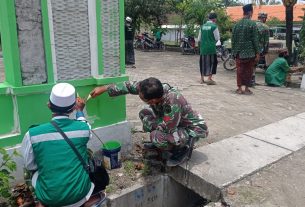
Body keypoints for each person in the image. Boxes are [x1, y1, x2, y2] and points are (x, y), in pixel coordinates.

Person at [21, 83, 108, 207]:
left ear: (49, 105)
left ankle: (38, 201)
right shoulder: (83, 130)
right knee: (86, 153)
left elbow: (31, 165)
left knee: (28, 169)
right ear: (73, 107)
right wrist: (80, 111)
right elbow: (83, 123)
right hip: (80, 195)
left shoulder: (32, 134)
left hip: (49, 199)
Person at [90, 77, 208, 166]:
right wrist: (104, 88)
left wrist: (152, 128)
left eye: (143, 98)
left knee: (156, 136)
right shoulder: (150, 88)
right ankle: (165, 144)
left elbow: (168, 128)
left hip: (191, 130)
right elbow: (128, 86)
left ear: (153, 101)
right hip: (173, 123)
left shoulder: (173, 102)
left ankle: (182, 149)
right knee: (144, 113)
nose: (139, 96)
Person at [232, 4, 259, 95]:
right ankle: (246, 88)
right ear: (250, 12)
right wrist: (257, 52)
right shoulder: (252, 24)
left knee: (239, 70)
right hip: (249, 52)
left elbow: (233, 39)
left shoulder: (236, 25)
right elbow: (255, 39)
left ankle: (239, 88)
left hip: (238, 52)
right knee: (248, 71)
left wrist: (234, 52)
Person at [198, 12, 220, 85]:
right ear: (214, 19)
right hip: (211, 48)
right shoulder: (214, 26)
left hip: (203, 48)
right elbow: (217, 38)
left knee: (202, 63)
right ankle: (209, 78)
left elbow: (199, 39)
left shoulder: (202, 26)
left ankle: (202, 79)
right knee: (213, 63)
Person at [252, 12, 270, 86]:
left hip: (249, 48)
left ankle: (249, 80)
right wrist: (266, 50)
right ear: (264, 18)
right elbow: (266, 41)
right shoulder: (265, 27)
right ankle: (252, 80)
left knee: (249, 64)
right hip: (258, 49)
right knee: (254, 64)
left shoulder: (252, 25)